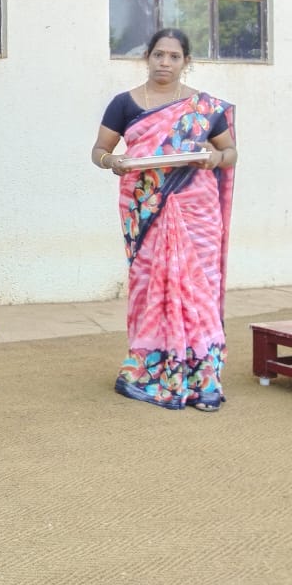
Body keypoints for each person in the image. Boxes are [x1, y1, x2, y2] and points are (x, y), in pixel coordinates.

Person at [91, 28, 237, 411]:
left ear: (185, 62)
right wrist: (113, 162)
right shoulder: (124, 104)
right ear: (147, 56)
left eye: (174, 56)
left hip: (197, 208)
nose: (165, 63)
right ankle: (147, 371)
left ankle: (204, 380)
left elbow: (230, 152)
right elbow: (99, 150)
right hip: (144, 205)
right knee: (149, 285)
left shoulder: (203, 108)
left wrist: (215, 158)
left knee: (199, 286)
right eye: (159, 55)